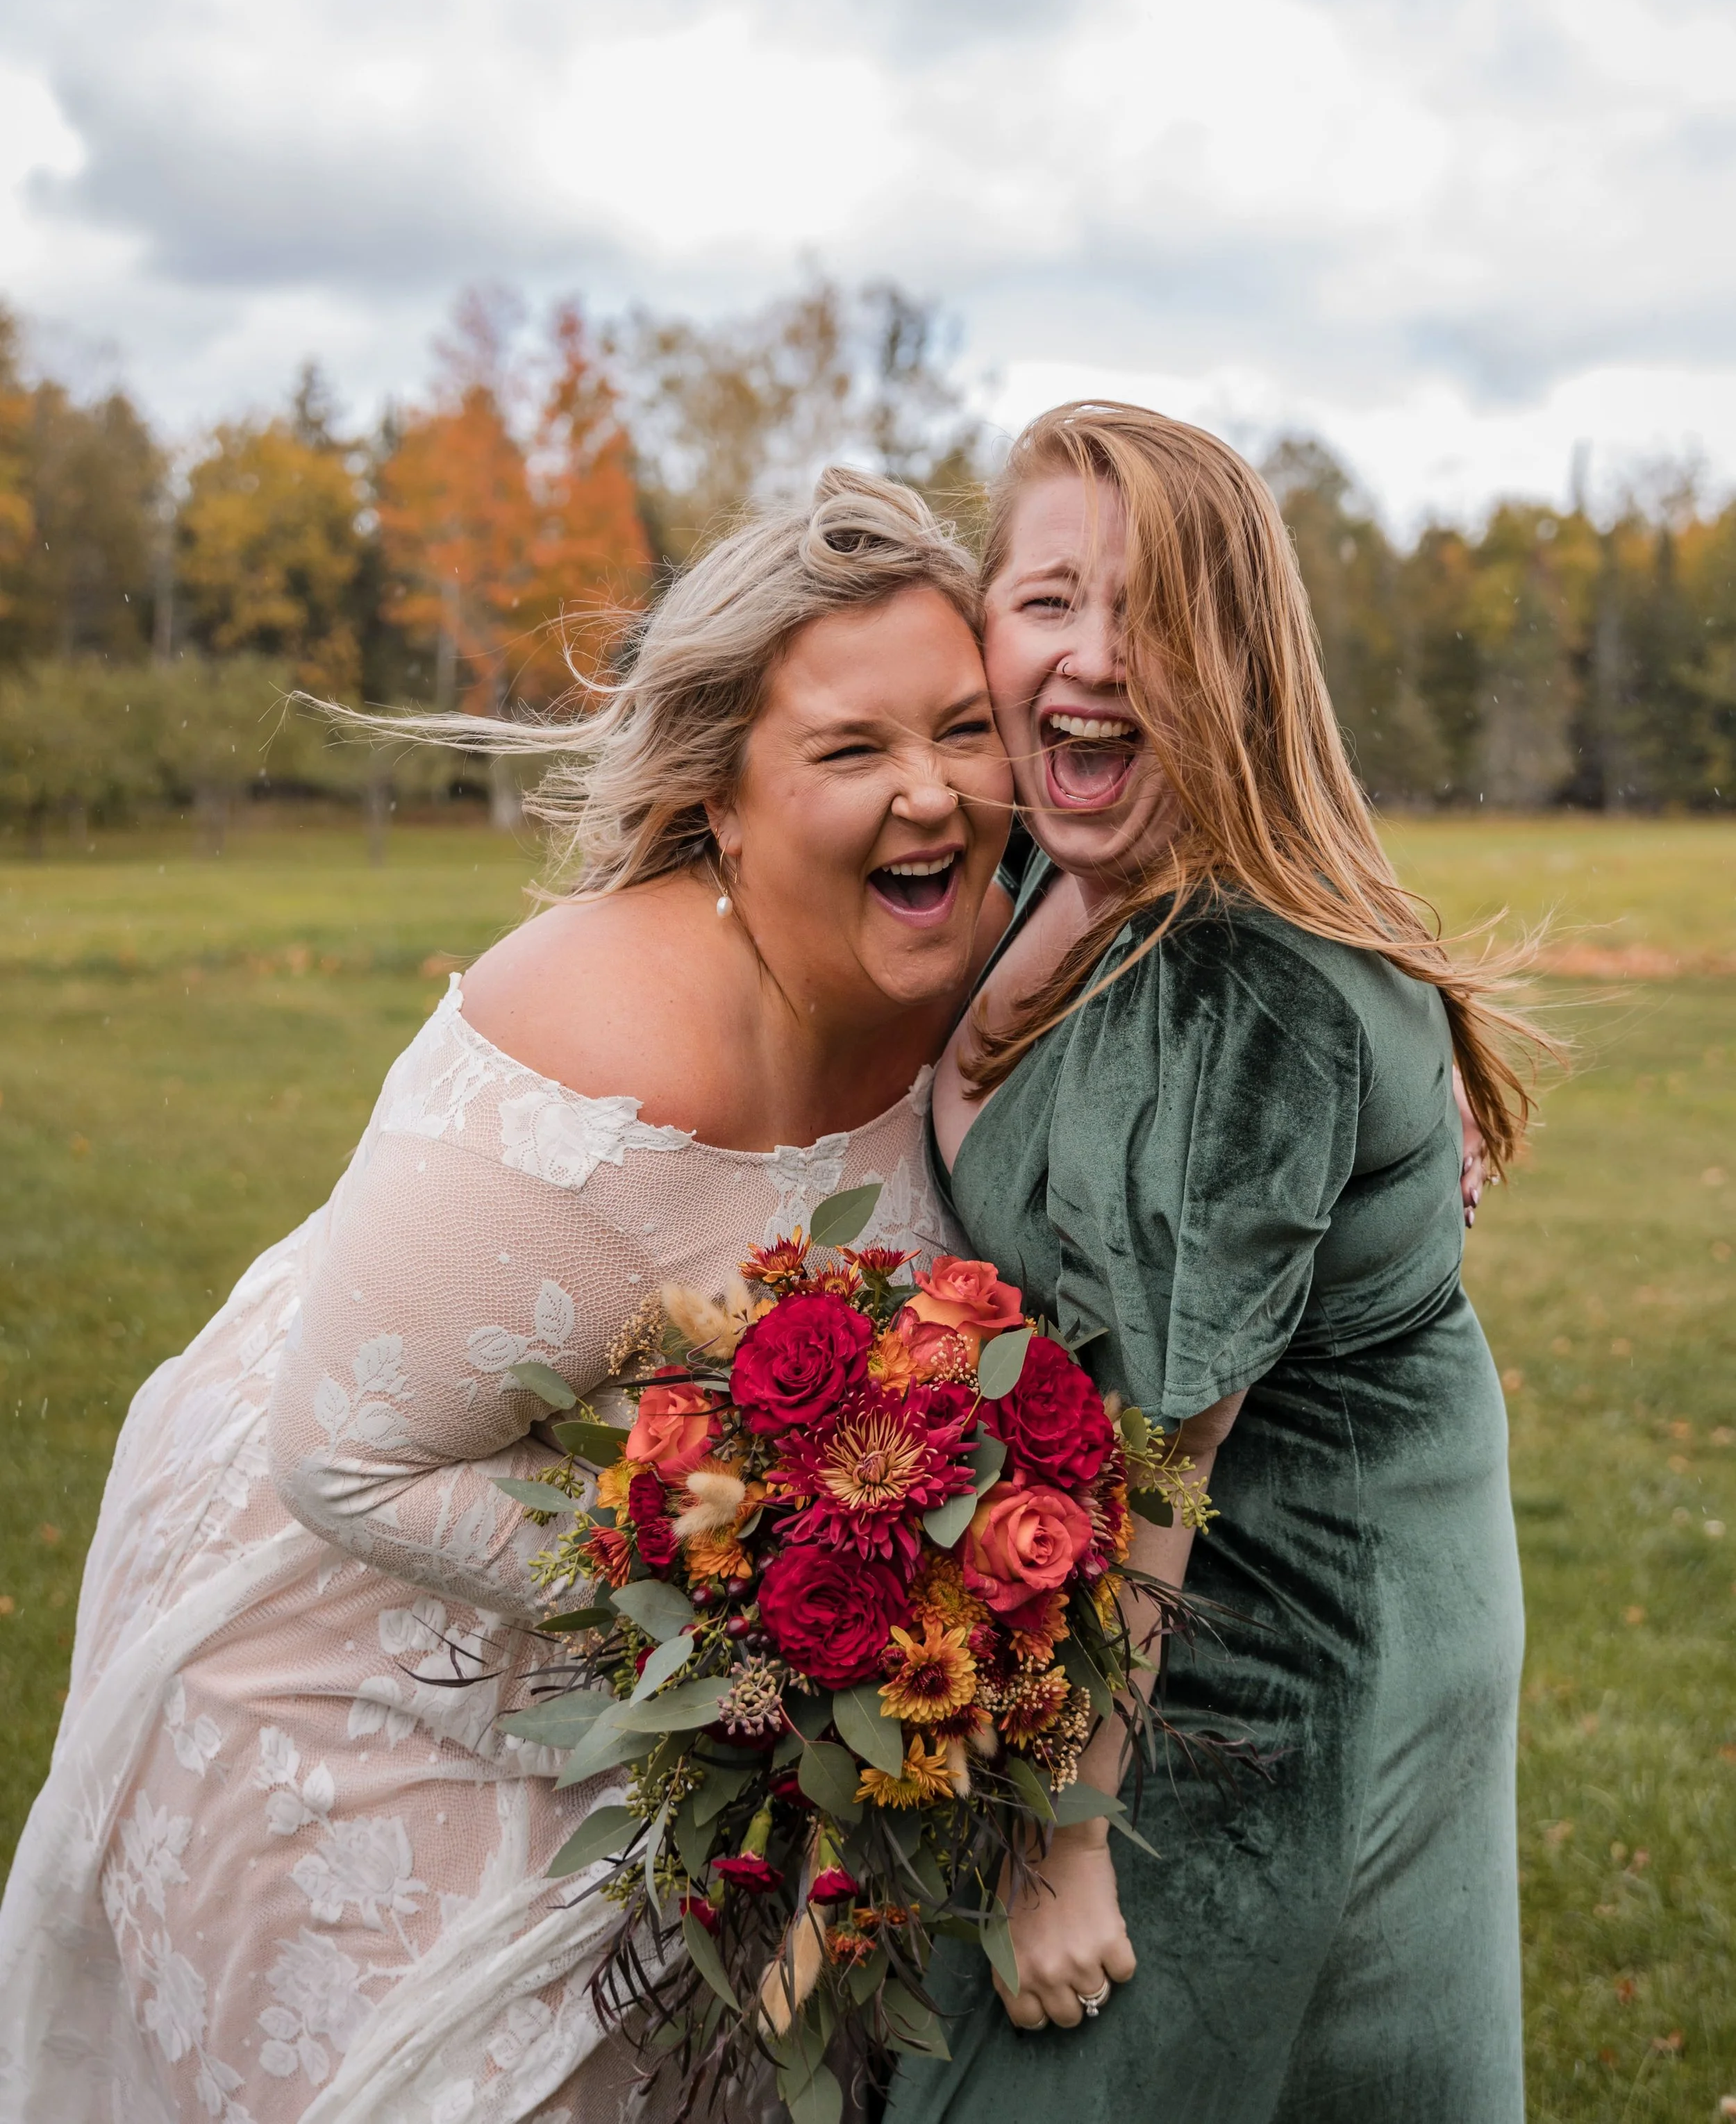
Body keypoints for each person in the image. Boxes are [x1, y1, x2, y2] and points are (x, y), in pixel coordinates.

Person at [0, 469, 1012, 2124]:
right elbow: (344, 1464)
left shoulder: (985, 921)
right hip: (345, 1627)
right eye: (850, 751)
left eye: (967, 731)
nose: (934, 795)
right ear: (722, 800)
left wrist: (1393, 1135)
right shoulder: (597, 1048)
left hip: (640, 1646)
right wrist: (763, 1610)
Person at [888, 403, 1535, 2124]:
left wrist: (1065, 1841)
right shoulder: (1044, 861)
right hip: (1156, 1600)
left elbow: (1160, 1451)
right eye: (1045, 602)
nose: (1093, 658)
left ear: (1239, 660)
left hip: (1273, 1639)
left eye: (1154, 613)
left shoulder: (1237, 985)